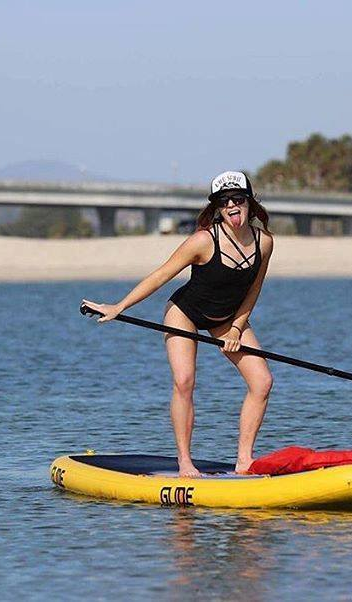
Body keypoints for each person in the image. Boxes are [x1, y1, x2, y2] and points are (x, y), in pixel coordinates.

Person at [82, 171, 274, 477]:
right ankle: (185, 462)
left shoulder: (264, 243)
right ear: (217, 208)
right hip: (184, 312)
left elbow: (253, 291)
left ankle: (244, 461)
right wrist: (119, 306)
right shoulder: (202, 240)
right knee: (184, 381)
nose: (232, 206)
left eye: (238, 199)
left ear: (250, 202)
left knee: (262, 382)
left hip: (229, 319)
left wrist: (237, 328)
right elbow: (160, 276)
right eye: (224, 202)